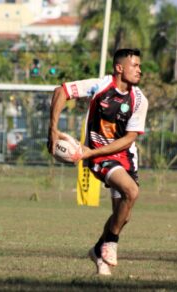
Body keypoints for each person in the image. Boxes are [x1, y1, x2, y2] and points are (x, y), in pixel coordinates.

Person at [48, 48, 148, 276]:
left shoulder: (140, 100)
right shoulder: (99, 86)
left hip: (123, 155)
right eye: (135, 66)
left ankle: (97, 251)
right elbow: (60, 91)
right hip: (98, 156)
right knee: (131, 192)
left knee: (124, 215)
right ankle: (111, 243)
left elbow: (129, 139)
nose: (140, 70)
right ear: (119, 68)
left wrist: (88, 154)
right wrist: (52, 131)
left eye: (140, 66)